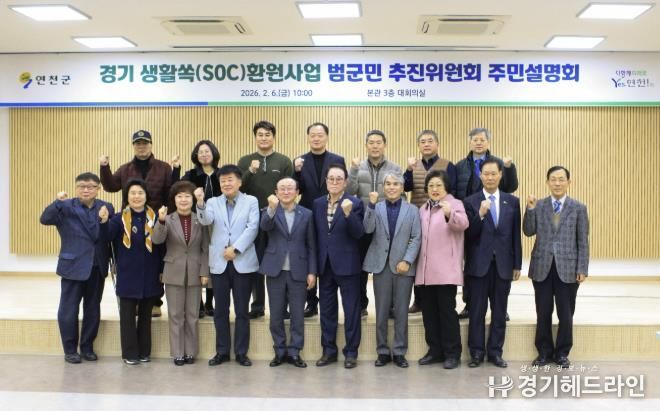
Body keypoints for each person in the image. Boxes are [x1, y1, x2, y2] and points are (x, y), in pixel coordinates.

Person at [39, 172, 114, 364]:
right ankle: (70, 349)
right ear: (76, 187)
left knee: (92, 309)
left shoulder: (106, 207)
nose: (86, 190)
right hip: (73, 266)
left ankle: (87, 347)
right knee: (68, 309)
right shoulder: (65, 206)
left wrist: (105, 222)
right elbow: (45, 219)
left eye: (91, 186)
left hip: (97, 265)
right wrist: (57, 202)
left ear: (98, 188)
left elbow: (108, 236)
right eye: (81, 186)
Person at [99, 129, 173, 317]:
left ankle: (155, 302)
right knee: (131, 262)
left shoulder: (164, 168)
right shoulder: (125, 169)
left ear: (151, 144)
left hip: (155, 222)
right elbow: (110, 186)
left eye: (145, 143)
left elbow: (170, 193)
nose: (141, 146)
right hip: (129, 222)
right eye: (138, 143)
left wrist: (164, 218)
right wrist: (104, 167)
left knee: (155, 262)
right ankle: (134, 301)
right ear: (133, 146)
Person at [523, 165, 589, 368]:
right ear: (547, 182)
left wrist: (582, 268)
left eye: (561, 179)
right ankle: (543, 352)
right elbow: (528, 231)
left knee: (566, 314)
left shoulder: (578, 208)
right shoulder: (539, 205)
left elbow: (583, 241)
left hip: (568, 268)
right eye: (553, 179)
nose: (557, 183)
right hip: (542, 266)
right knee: (543, 312)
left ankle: (562, 353)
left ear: (569, 182)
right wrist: (530, 209)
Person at [196, 164, 259, 367]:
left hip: (243, 262)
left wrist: (236, 249)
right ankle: (222, 351)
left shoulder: (251, 201)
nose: (226, 184)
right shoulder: (212, 202)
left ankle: (241, 353)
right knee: (220, 310)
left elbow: (252, 228)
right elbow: (205, 221)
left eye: (230, 180)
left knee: (242, 311)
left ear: (239, 182)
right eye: (222, 181)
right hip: (219, 263)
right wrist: (200, 203)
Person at [463, 158, 522, 369]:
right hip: (478, 265)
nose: (489, 177)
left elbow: (515, 235)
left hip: (503, 265)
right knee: (477, 312)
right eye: (486, 174)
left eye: (493, 174)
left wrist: (517, 264)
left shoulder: (512, 201)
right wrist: (480, 215)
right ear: (480, 176)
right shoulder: (470, 201)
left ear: (500, 175)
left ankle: (496, 352)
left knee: (499, 312)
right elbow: (467, 235)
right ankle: (476, 353)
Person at [454, 127, 519, 320]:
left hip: (495, 216)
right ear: (470, 142)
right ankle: (469, 303)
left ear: (488, 142)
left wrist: (509, 168)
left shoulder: (498, 163)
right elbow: (456, 191)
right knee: (472, 264)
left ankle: (501, 308)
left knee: (500, 270)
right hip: (471, 217)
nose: (478, 143)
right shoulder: (460, 166)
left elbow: (511, 186)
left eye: (482, 139)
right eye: (475, 139)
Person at [99, 179, 161, 365]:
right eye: (133, 193)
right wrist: (104, 221)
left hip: (150, 274)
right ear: (127, 196)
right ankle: (130, 353)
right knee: (127, 318)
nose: (137, 196)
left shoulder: (155, 218)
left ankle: (144, 352)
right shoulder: (119, 219)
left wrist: (162, 271)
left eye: (140, 193)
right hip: (127, 274)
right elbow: (106, 236)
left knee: (145, 317)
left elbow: (162, 247)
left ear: (146, 196)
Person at [363, 173, 421, 368]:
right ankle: (382, 351)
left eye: (396, 184)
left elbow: (416, 237)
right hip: (381, 266)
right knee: (381, 311)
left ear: (402, 187)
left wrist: (407, 260)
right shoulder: (376, 207)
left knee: (402, 311)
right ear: (383, 187)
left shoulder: (412, 210)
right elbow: (367, 229)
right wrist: (370, 206)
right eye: (388, 184)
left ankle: (399, 351)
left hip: (403, 267)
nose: (391, 187)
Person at [237, 120, 293, 319]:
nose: (263, 138)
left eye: (267, 134)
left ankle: (282, 307)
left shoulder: (284, 161)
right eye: (260, 134)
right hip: (252, 218)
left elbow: (290, 188)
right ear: (255, 137)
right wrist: (250, 172)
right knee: (256, 262)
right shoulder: (245, 161)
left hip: (278, 217)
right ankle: (258, 305)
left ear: (273, 137)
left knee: (281, 262)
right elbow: (238, 188)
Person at [259, 178, 317, 368]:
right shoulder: (269, 211)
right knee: (276, 314)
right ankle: (279, 351)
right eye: (282, 189)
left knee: (297, 315)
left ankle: (294, 352)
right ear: (276, 192)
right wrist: (271, 208)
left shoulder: (307, 214)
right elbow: (264, 227)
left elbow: (311, 245)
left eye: (290, 188)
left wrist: (312, 272)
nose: (286, 192)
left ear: (297, 192)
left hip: (299, 270)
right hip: (275, 270)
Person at [152, 180, 210, 366]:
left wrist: (204, 271)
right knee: (176, 315)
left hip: (195, 271)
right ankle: (177, 353)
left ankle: (190, 352)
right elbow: (157, 240)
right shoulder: (167, 219)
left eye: (187, 196)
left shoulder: (200, 219)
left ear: (193, 199)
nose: (183, 200)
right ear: (174, 199)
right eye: (179, 196)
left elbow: (205, 248)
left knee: (192, 315)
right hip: (173, 271)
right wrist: (160, 221)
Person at [415, 170, 468, 369]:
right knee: (429, 314)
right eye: (431, 186)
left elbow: (463, 224)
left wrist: (449, 214)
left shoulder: (455, 204)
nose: (434, 189)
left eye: (438, 185)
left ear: (446, 187)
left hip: (445, 271)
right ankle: (434, 351)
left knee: (447, 313)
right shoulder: (423, 208)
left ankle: (452, 353)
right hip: (425, 271)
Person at [313, 164, 364, 369]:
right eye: (331, 178)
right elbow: (317, 235)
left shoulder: (355, 203)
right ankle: (329, 351)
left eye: (338, 179)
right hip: (325, 265)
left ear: (345, 182)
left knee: (351, 311)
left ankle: (351, 352)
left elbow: (359, 233)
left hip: (348, 265)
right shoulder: (317, 203)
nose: (334, 182)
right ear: (326, 181)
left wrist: (349, 215)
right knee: (326, 311)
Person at [347, 129, 402, 317]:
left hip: (387, 223)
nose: (375, 146)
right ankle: (361, 304)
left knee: (388, 266)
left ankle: (390, 306)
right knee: (360, 266)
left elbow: (400, 194)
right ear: (366, 145)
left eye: (379, 142)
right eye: (371, 142)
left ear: (384, 145)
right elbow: (349, 191)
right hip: (363, 223)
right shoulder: (358, 167)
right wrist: (353, 170)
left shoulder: (395, 168)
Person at [293, 122, 345, 318]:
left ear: (326, 137)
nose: (316, 138)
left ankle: (328, 301)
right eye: (313, 135)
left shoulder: (337, 159)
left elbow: (341, 185)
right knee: (309, 254)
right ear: (308, 137)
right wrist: (296, 172)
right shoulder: (300, 161)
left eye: (320, 135)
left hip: (330, 212)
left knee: (327, 254)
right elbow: (295, 189)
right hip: (307, 213)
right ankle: (311, 302)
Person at [403, 129, 457, 314]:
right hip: (418, 217)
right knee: (418, 258)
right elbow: (405, 187)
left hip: (441, 219)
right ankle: (419, 300)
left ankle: (443, 300)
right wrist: (408, 170)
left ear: (437, 144)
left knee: (439, 258)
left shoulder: (448, 165)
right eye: (423, 141)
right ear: (418, 146)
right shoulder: (413, 166)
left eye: (430, 141)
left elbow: (453, 191)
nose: (426, 144)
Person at [173, 139, 222, 318]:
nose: (204, 155)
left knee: (213, 260)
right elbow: (176, 188)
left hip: (217, 223)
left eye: (207, 151)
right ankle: (199, 303)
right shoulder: (191, 174)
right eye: (200, 152)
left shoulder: (221, 174)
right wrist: (176, 169)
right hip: (196, 221)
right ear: (196, 156)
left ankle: (210, 302)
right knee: (196, 260)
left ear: (213, 153)